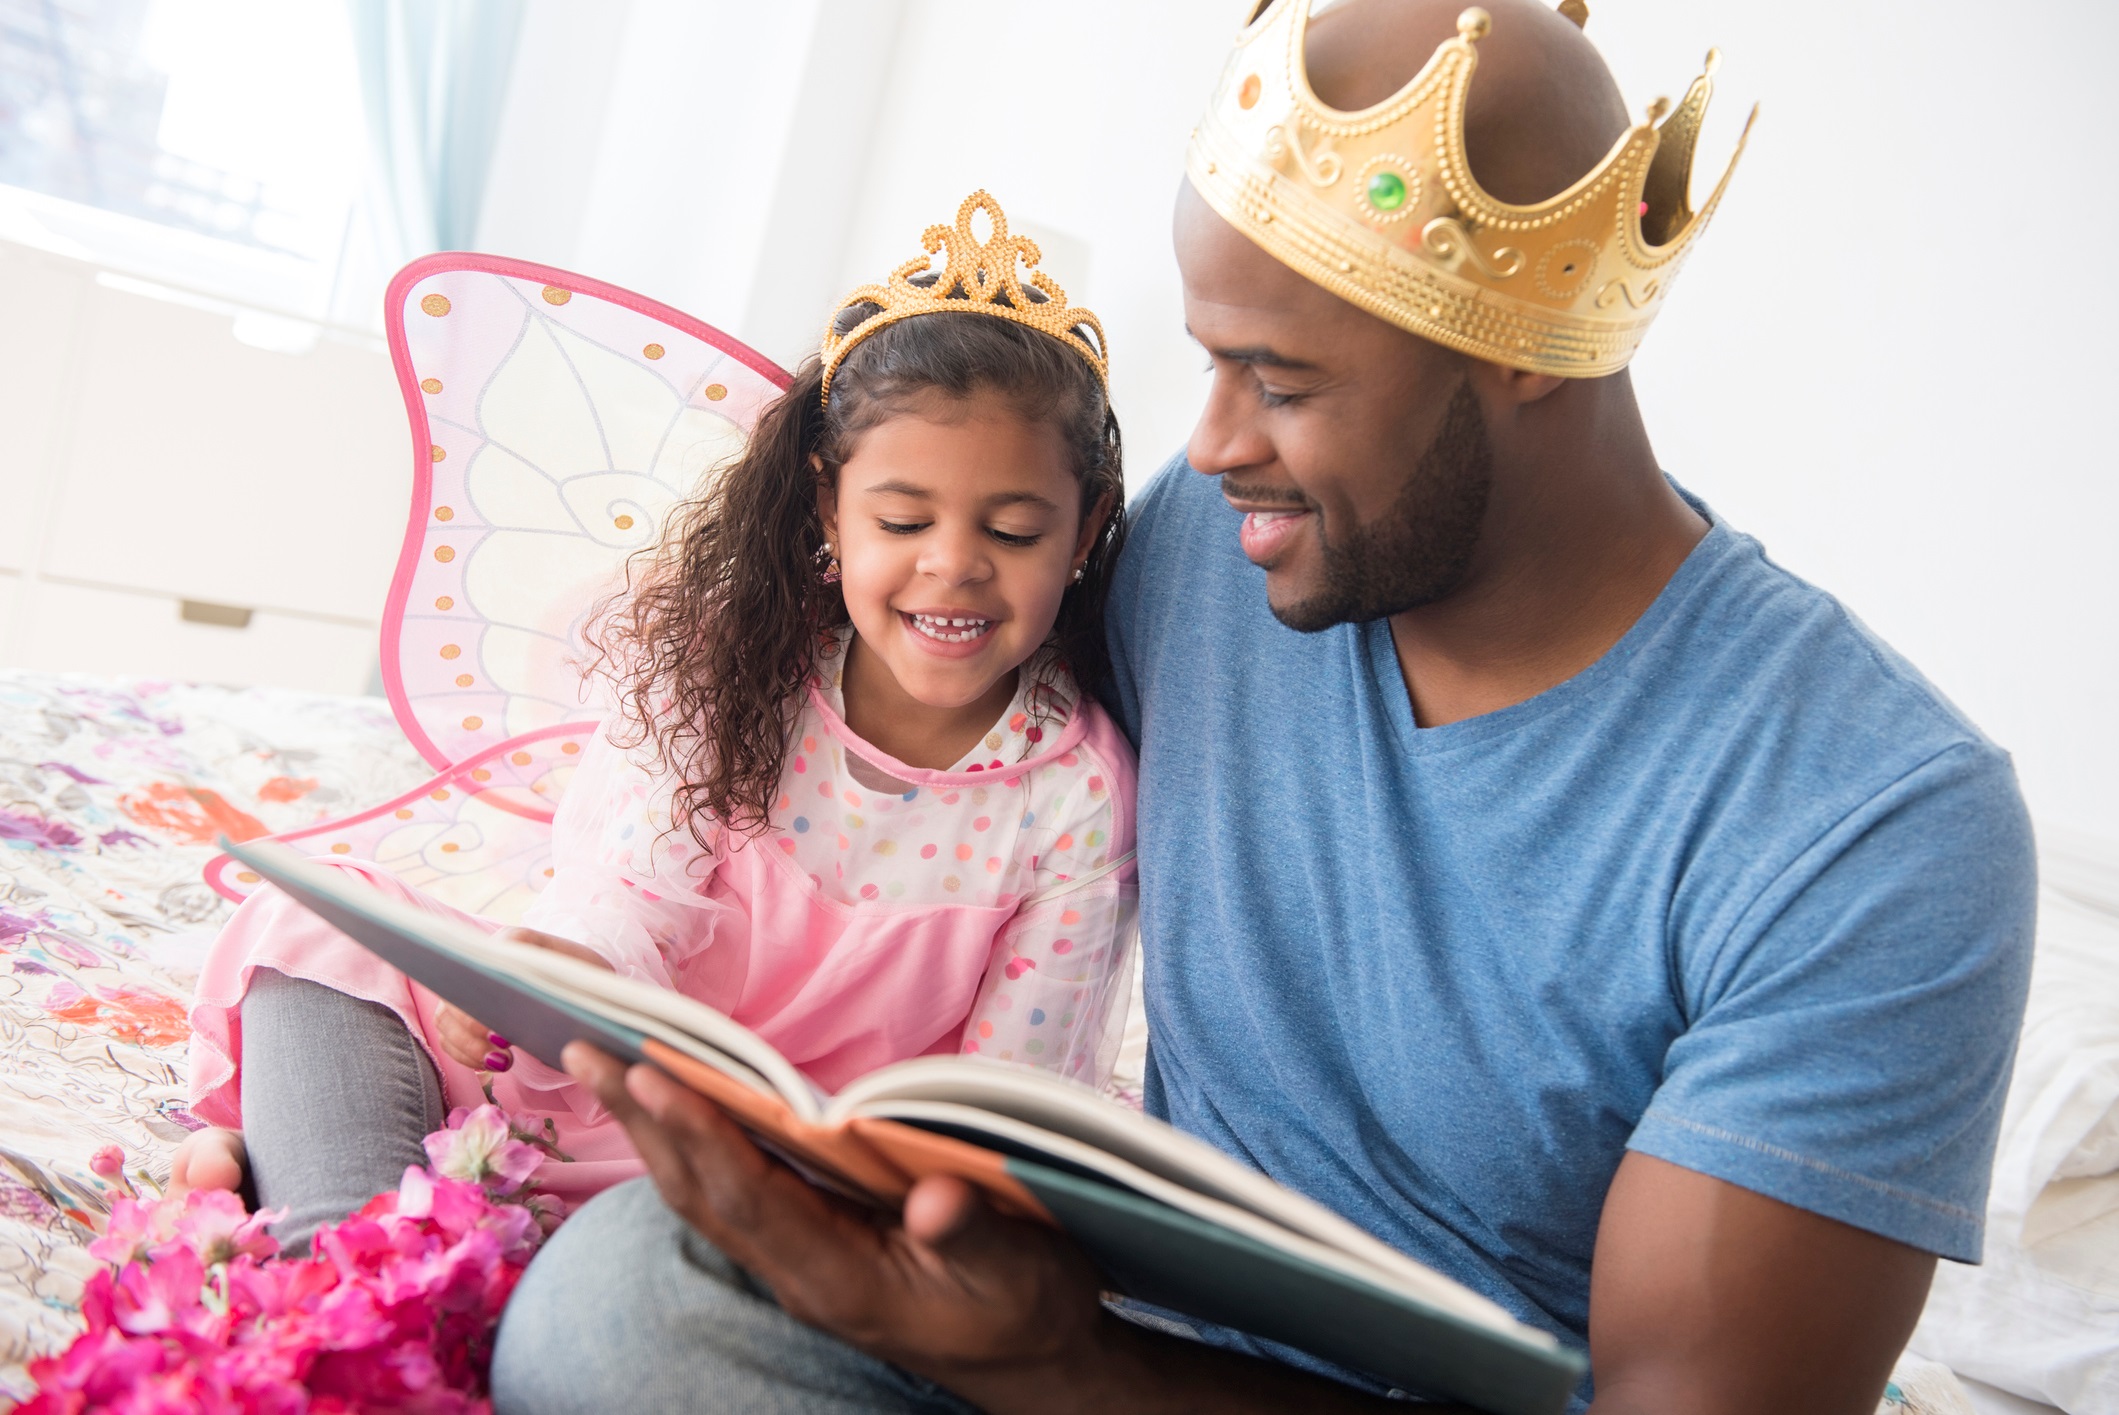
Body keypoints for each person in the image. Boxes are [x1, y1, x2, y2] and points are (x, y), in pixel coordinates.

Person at [484, 3, 2036, 1414]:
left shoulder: (1872, 821)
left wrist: (1056, 1358)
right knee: (624, 1299)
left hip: (1140, 1366)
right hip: (1072, 1325)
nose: (1210, 443)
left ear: (1527, 353)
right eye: (1208, 364)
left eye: (1280, 382)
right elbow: (881, 713)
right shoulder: (1210, 555)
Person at [173, 189, 1139, 1245]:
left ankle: (348, 1195)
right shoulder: (727, 668)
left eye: (1011, 529)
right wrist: (553, 974)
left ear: (1086, 527)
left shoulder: (1077, 791)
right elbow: (618, 898)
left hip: (789, 1182)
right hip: (600, 1080)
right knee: (311, 921)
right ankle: (351, 1240)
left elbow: (1015, 1088)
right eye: (902, 519)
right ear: (827, 507)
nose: (952, 563)